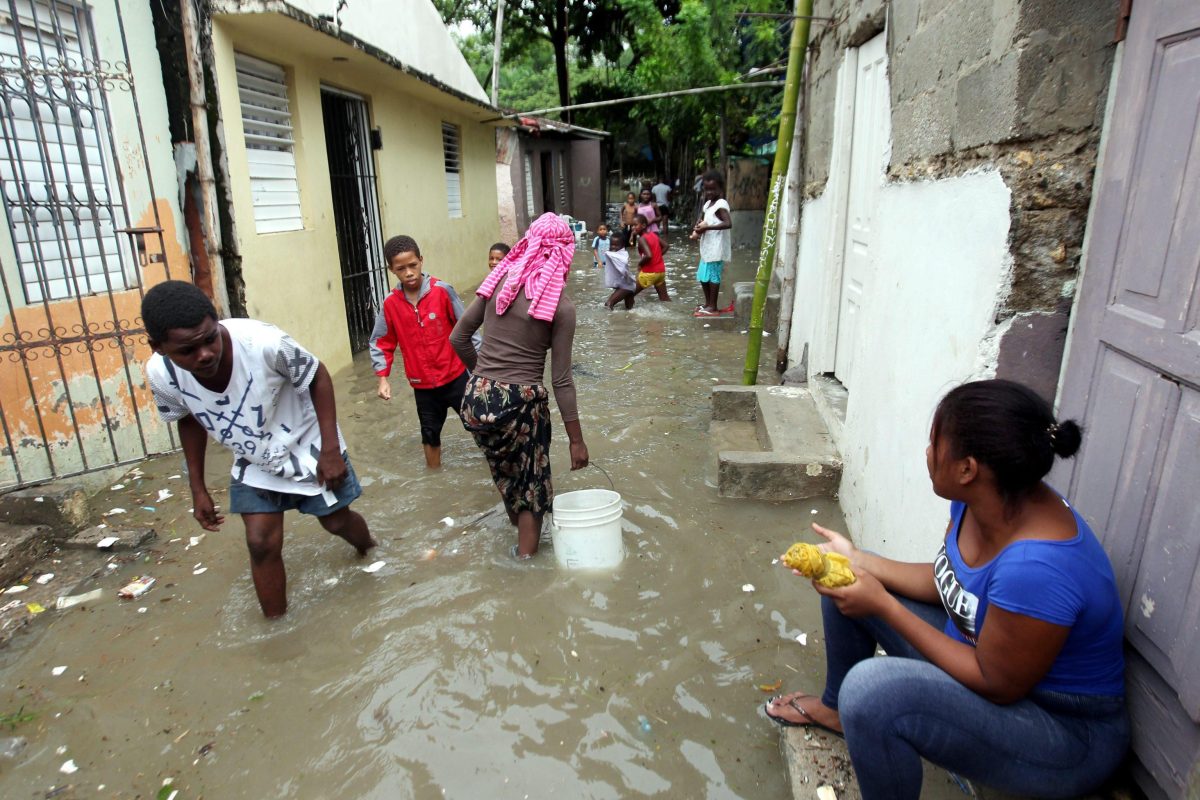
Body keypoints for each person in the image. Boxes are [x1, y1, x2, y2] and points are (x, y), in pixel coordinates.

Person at [764, 379, 1128, 800]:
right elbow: (948, 583)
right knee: (844, 581)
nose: (927, 452)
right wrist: (859, 563)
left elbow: (996, 682)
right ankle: (836, 710)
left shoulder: (1036, 567)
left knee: (872, 691)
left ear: (967, 468)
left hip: (1063, 731)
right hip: (994, 667)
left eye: (934, 442)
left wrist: (883, 605)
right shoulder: (983, 500)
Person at [142, 281, 376, 618]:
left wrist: (330, 450)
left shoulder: (264, 344)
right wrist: (198, 488)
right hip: (253, 455)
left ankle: (369, 548)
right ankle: (277, 630)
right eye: (188, 351)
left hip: (306, 442)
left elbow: (317, 376)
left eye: (210, 339)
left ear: (217, 321)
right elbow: (188, 418)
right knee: (260, 542)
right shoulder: (161, 375)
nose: (205, 354)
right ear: (159, 347)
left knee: (336, 523)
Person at [449, 212, 589, 560]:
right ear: (564, 254)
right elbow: (561, 381)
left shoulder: (497, 283)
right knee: (532, 489)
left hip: (477, 399)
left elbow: (458, 338)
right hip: (521, 404)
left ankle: (518, 538)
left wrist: (485, 380)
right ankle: (524, 568)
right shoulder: (561, 307)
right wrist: (576, 441)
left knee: (505, 473)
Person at [369, 235, 472, 469]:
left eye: (413, 265)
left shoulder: (442, 291)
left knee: (480, 425)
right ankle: (434, 476)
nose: (409, 273)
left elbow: (467, 328)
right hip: (423, 385)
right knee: (429, 433)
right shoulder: (390, 304)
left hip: (456, 377)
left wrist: (482, 369)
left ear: (421, 261)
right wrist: (382, 378)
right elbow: (381, 341)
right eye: (401, 268)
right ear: (391, 270)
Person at [691, 170, 732, 316]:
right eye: (707, 189)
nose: (709, 192)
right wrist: (700, 225)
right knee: (703, 276)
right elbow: (705, 220)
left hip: (717, 248)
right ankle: (708, 303)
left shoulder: (720, 205)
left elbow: (728, 224)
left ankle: (713, 306)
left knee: (713, 276)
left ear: (720, 188)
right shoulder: (708, 204)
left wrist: (708, 227)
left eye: (713, 189)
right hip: (707, 247)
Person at [631, 213, 670, 302]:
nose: (633, 228)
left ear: (644, 225)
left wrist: (640, 264)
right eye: (632, 226)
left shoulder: (641, 239)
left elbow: (648, 255)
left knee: (628, 293)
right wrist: (658, 257)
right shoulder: (653, 235)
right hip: (660, 272)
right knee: (665, 299)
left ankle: (627, 314)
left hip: (649, 273)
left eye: (635, 225)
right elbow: (666, 246)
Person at [602, 230, 636, 310]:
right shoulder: (619, 254)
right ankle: (630, 321)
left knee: (608, 304)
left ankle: (611, 321)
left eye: (616, 245)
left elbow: (623, 267)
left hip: (626, 286)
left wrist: (606, 253)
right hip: (629, 285)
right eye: (612, 245)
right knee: (629, 309)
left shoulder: (621, 256)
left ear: (622, 245)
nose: (613, 247)